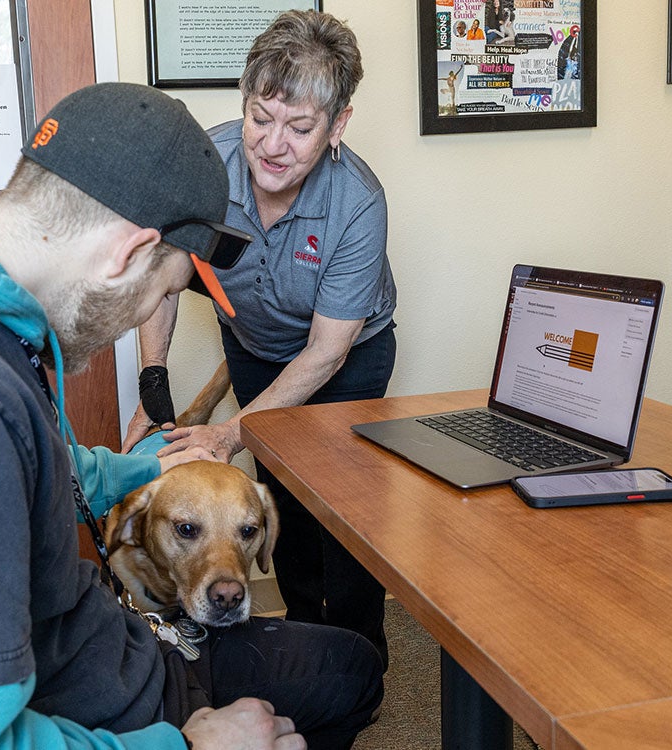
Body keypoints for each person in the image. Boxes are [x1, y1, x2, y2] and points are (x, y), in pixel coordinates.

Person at [0, 82, 383, 750]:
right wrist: (192, 747)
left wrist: (144, 466)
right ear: (128, 253)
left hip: (83, 649)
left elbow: (24, 471)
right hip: (103, 710)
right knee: (347, 675)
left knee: (343, 663)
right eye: (160, 292)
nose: (142, 316)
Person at [123, 11, 398, 671]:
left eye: (300, 128)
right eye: (259, 117)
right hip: (253, 345)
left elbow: (327, 352)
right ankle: (307, 643)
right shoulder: (202, 169)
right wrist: (152, 386)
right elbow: (162, 282)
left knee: (347, 517)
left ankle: (363, 658)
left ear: (337, 126)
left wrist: (228, 433)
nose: (273, 145)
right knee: (283, 501)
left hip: (349, 360)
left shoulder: (358, 204)